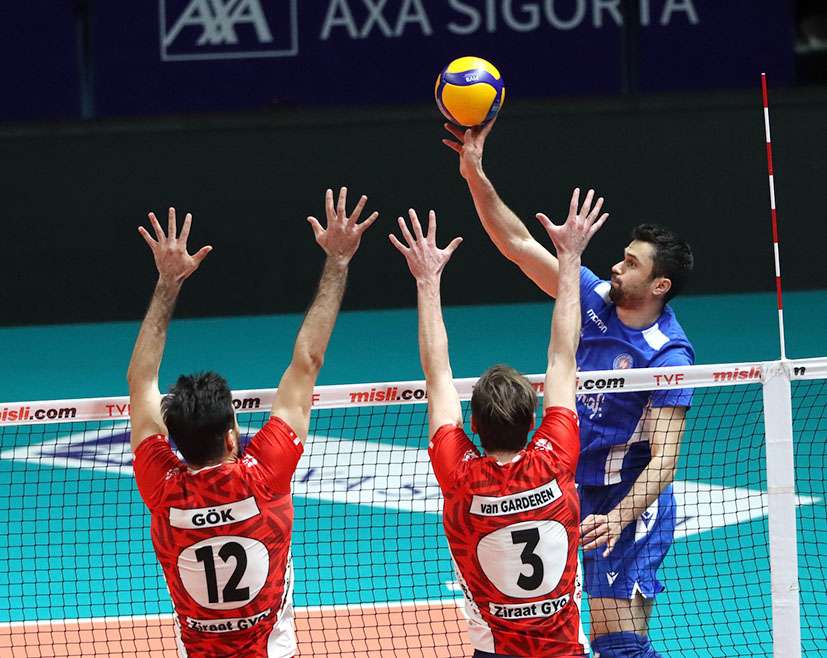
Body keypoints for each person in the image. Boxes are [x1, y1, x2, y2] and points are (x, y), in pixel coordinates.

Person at [442, 120, 694, 658]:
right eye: (622, 255)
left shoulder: (667, 354)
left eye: (631, 264)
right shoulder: (595, 298)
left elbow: (665, 460)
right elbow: (517, 244)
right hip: (572, 490)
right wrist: (474, 174)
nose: (616, 266)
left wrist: (619, 517)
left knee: (617, 641)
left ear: (660, 285)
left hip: (626, 499)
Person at [127, 189, 377, 657]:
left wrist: (167, 283)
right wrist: (338, 261)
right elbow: (308, 360)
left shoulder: (161, 486)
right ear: (231, 436)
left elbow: (141, 381)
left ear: (175, 440)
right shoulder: (264, 474)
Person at [390, 188, 607, 657]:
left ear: (473, 422)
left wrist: (427, 280)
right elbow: (563, 356)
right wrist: (570, 259)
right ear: (533, 422)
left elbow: (437, 374)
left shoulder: (459, 475)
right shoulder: (556, 456)